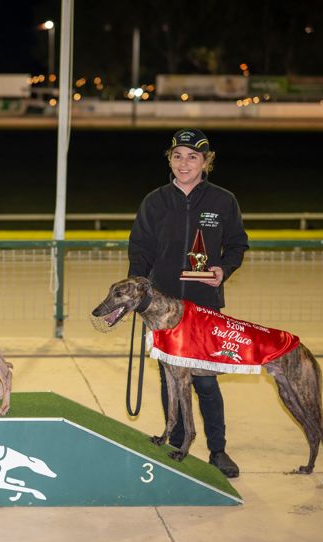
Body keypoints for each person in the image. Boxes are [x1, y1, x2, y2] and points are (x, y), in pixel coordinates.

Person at [127, 128, 249, 478]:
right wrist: (137, 288)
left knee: (205, 381)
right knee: (170, 379)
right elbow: (140, 250)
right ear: (170, 160)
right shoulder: (155, 201)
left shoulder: (223, 201)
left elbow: (237, 244)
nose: (184, 163)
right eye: (178, 156)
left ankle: (218, 450)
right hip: (163, 310)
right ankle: (177, 441)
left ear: (206, 162)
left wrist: (224, 269)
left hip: (204, 307)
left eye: (193, 157)